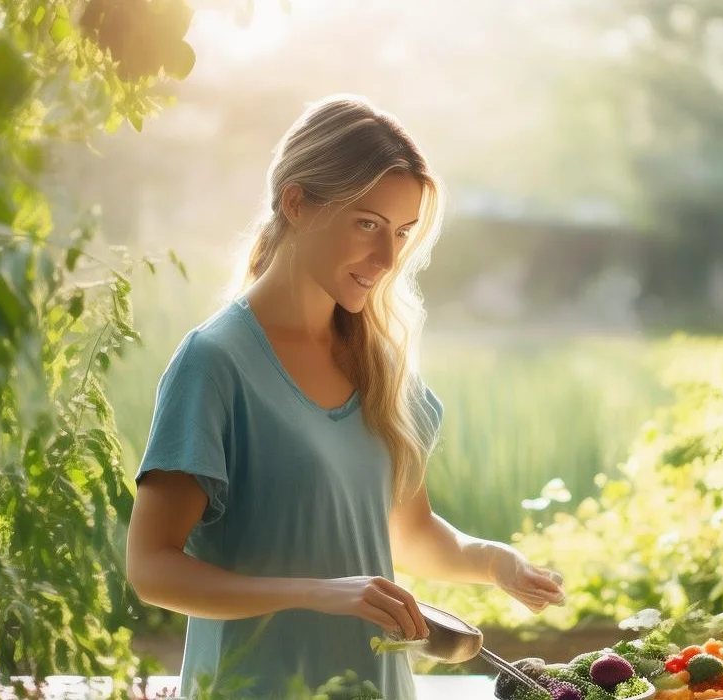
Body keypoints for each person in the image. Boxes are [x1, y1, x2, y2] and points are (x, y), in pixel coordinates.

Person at [124, 94, 566, 699]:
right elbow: (152, 569)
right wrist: (318, 591)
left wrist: (493, 562)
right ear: (297, 203)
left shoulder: (381, 367)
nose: (387, 259)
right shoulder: (214, 363)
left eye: (402, 233)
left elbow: (407, 532)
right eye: (368, 224)